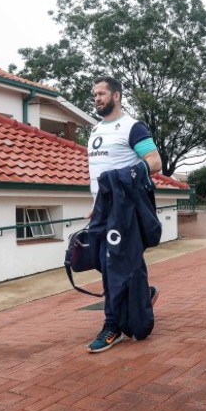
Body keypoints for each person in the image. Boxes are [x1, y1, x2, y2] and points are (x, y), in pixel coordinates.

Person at [86, 76, 162, 353]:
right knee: (102, 262)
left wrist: (123, 177)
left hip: (124, 213)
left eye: (102, 93)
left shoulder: (131, 127)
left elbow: (154, 162)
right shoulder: (95, 130)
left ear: (116, 96)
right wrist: (96, 205)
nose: (97, 98)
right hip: (102, 211)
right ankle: (141, 295)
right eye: (95, 94)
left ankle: (112, 326)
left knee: (113, 268)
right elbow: (98, 176)